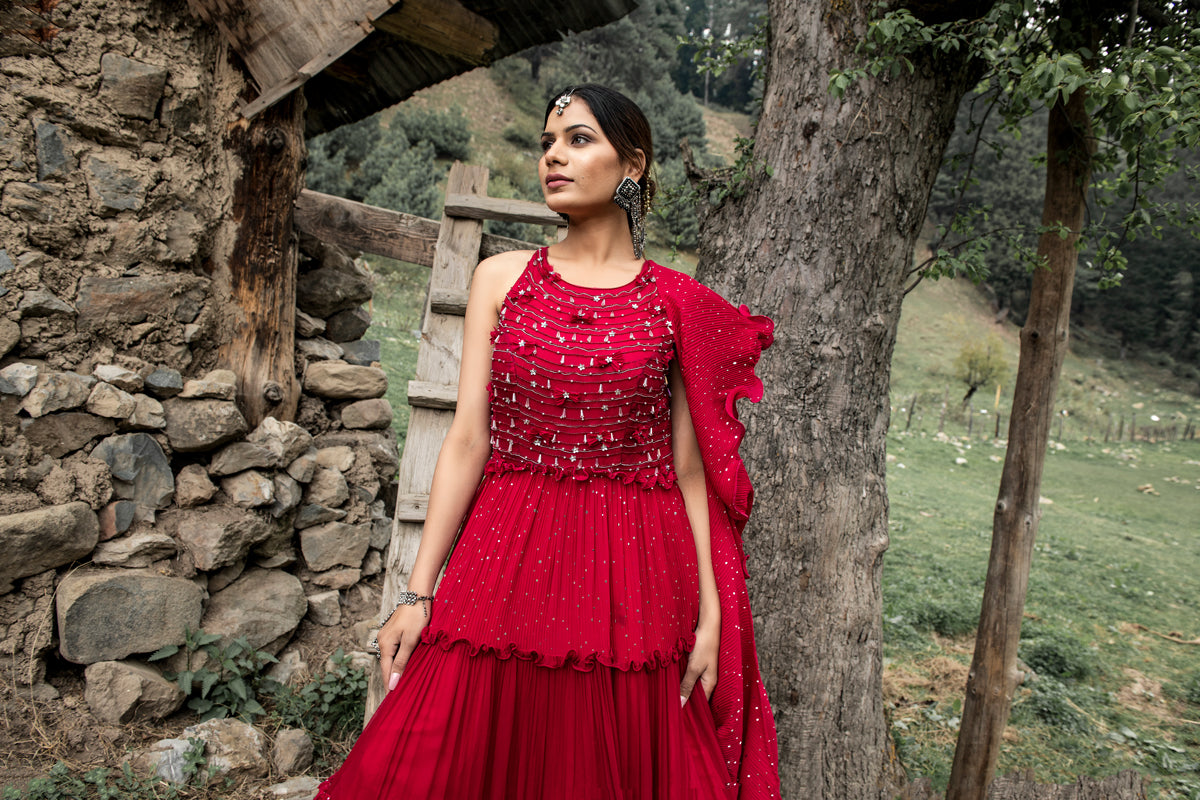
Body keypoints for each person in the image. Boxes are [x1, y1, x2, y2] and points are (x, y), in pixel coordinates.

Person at [316, 84, 780, 800]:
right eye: (546, 143)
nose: (554, 157)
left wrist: (712, 617)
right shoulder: (501, 280)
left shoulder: (675, 301)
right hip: (504, 553)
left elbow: (691, 473)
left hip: (634, 572)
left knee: (604, 766)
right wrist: (416, 592)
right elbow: (468, 440)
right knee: (434, 757)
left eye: (578, 140)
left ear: (633, 166)